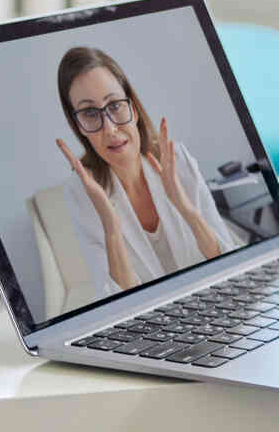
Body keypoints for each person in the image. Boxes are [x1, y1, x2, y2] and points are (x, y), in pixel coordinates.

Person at [55, 45, 247, 305]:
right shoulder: (81, 194)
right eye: (90, 113)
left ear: (132, 108)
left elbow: (229, 265)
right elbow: (115, 308)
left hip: (215, 305)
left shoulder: (175, 159)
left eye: (115, 105)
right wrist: (112, 229)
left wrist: (185, 208)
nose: (110, 129)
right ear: (78, 125)